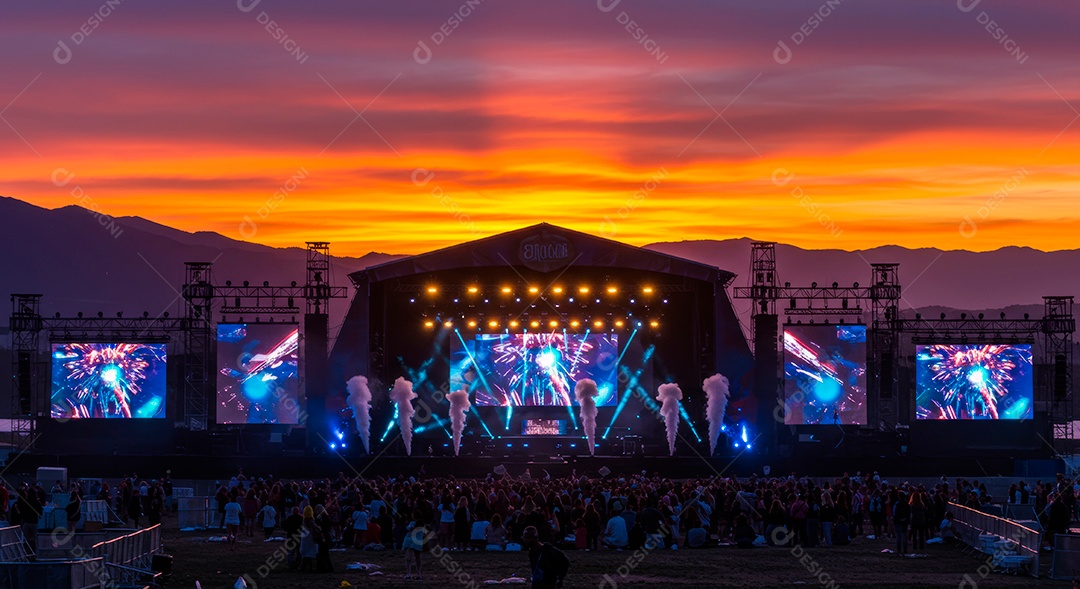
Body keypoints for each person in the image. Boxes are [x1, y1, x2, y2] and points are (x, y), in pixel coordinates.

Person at [403, 510, 428, 580]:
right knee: (418, 558)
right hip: (417, 542)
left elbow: (407, 528)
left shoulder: (412, 523)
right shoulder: (422, 525)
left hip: (410, 541)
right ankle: (419, 574)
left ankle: (409, 573)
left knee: (408, 558)